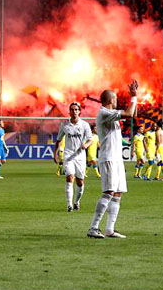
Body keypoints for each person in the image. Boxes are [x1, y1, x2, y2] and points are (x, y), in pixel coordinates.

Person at [87, 80, 138, 239]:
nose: (117, 101)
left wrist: (135, 97)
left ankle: (110, 229)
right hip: (108, 158)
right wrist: (133, 97)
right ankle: (93, 228)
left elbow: (133, 115)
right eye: (115, 99)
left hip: (116, 159)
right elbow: (129, 113)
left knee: (117, 193)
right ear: (110, 100)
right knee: (108, 192)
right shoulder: (104, 113)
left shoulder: (111, 115)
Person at [54, 102, 93, 212]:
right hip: (68, 155)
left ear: (79, 111)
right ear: (69, 112)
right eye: (72, 109)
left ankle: (77, 202)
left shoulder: (84, 125)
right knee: (69, 177)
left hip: (80, 157)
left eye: (76, 109)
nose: (74, 111)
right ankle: (69, 204)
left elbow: (90, 139)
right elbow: (58, 140)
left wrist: (86, 144)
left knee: (80, 182)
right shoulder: (65, 125)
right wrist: (55, 154)